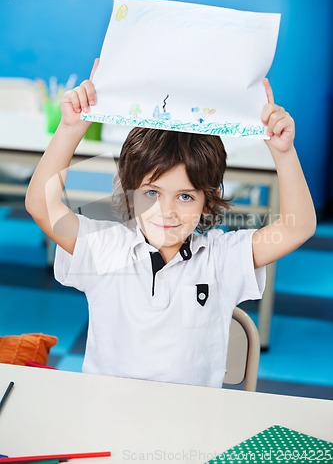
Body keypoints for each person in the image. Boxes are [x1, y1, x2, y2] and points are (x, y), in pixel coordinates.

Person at [25, 59, 316, 388]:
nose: (167, 211)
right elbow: (40, 205)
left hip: (192, 426)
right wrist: (71, 128)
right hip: (105, 418)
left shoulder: (221, 258)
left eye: (186, 197)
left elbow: (298, 227)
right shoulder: (106, 248)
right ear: (132, 193)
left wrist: (284, 152)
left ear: (208, 201)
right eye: (152, 193)